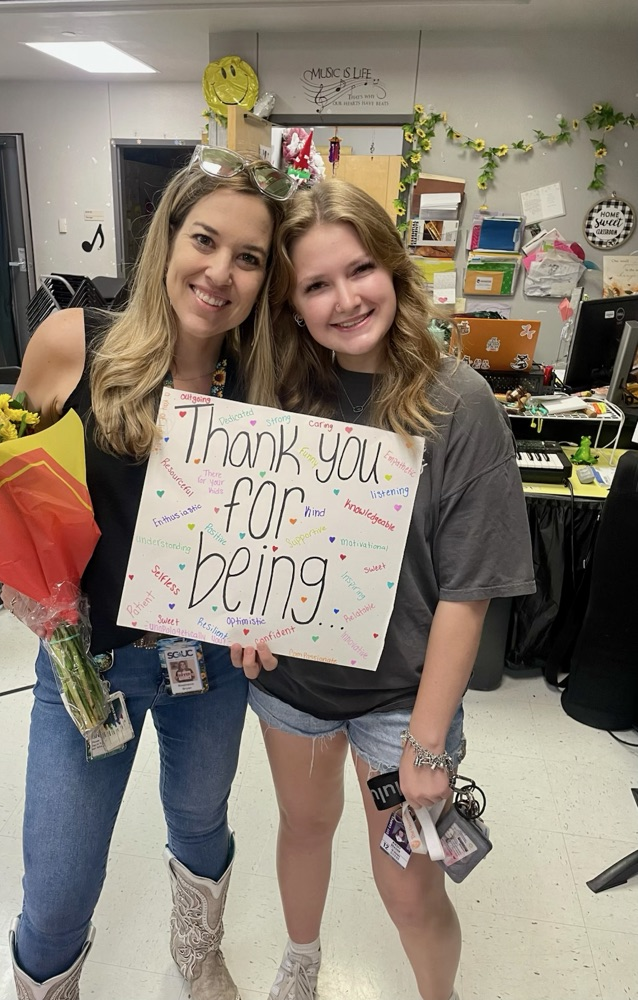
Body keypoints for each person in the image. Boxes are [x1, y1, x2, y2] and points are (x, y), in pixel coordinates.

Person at [232, 180, 535, 1000]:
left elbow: (468, 593)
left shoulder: (459, 403)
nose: (345, 299)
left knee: (409, 887)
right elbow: (254, 535)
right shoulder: (281, 396)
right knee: (303, 827)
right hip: (294, 682)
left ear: (394, 270)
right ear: (291, 304)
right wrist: (241, 607)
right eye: (316, 284)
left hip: (404, 698)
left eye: (360, 269)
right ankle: (300, 961)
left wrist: (427, 747)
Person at [5, 146, 294, 1000]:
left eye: (249, 257)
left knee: (202, 824)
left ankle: (198, 954)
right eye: (205, 240)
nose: (221, 272)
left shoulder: (266, 387)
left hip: (213, 667)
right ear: (167, 237)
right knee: (58, 883)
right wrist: (13, 582)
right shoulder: (73, 342)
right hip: (90, 663)